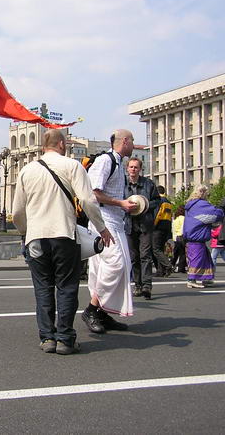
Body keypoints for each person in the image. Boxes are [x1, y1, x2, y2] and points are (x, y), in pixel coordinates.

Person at [13, 129, 112, 355]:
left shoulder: (27, 170)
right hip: (64, 235)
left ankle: (47, 338)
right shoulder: (72, 166)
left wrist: (25, 232)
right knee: (66, 287)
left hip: (36, 238)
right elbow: (87, 200)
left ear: (43, 146)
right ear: (61, 144)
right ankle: (65, 340)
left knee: (43, 288)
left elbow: (17, 211)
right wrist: (102, 228)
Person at [84, 129, 138, 335]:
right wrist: (121, 203)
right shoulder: (106, 161)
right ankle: (91, 310)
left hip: (115, 221)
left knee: (116, 267)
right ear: (124, 141)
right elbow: (93, 193)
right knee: (116, 265)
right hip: (104, 221)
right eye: (132, 141)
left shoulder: (117, 162)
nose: (133, 144)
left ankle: (102, 312)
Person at [124, 157, 161, 300]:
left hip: (145, 224)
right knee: (133, 257)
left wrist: (144, 206)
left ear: (140, 169)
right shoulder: (123, 184)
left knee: (145, 255)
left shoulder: (148, 184)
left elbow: (157, 200)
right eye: (131, 167)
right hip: (129, 224)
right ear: (127, 168)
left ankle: (147, 286)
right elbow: (119, 202)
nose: (133, 169)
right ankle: (137, 284)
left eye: (136, 167)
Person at [183, 185, 224, 288]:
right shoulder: (201, 204)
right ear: (203, 193)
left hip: (191, 236)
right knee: (197, 259)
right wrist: (221, 209)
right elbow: (216, 214)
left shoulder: (191, 205)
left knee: (205, 259)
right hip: (197, 236)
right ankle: (191, 279)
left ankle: (206, 278)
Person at [153, 185, 174, 277]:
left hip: (158, 227)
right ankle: (160, 271)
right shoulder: (168, 202)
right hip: (166, 227)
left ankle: (168, 265)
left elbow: (157, 215)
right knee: (161, 249)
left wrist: (153, 225)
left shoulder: (159, 201)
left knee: (156, 249)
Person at [171, 207, 186, 273]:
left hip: (175, 237)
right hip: (180, 237)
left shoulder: (175, 218)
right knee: (182, 253)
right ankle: (181, 268)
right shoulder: (183, 218)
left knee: (175, 253)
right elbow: (183, 227)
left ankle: (171, 265)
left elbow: (172, 229)